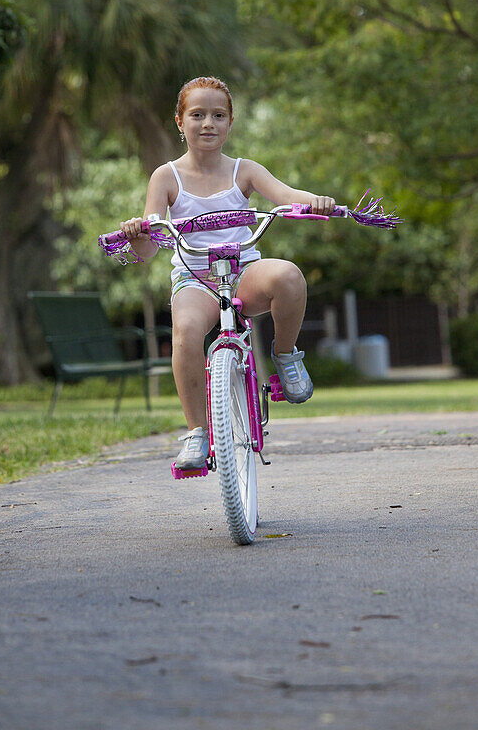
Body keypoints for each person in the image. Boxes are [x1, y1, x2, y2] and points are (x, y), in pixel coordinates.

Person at [120, 76, 336, 470]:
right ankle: (196, 433)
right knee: (185, 332)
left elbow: (288, 196)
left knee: (288, 275)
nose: (208, 124)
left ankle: (286, 356)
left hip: (243, 272)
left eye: (218, 115)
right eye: (197, 115)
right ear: (179, 121)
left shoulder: (244, 171)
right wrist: (138, 234)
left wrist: (317, 202)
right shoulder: (166, 177)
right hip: (194, 278)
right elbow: (150, 247)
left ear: (230, 123)